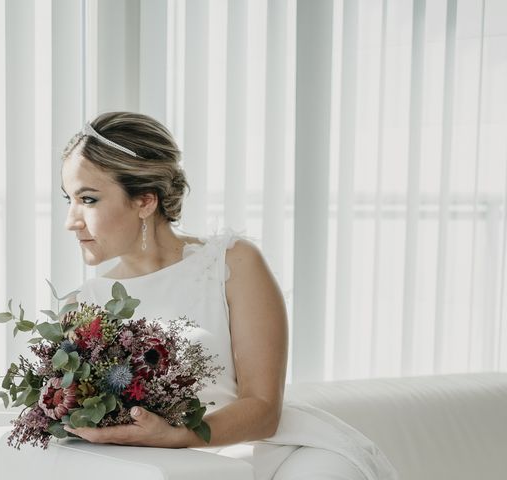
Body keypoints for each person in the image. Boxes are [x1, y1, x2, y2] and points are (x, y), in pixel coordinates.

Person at [60, 112, 397, 480]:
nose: (70, 220)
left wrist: (177, 436)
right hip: (183, 469)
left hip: (277, 455)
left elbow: (264, 409)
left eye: (88, 199)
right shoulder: (85, 305)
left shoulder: (231, 263)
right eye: (69, 199)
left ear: (144, 201)